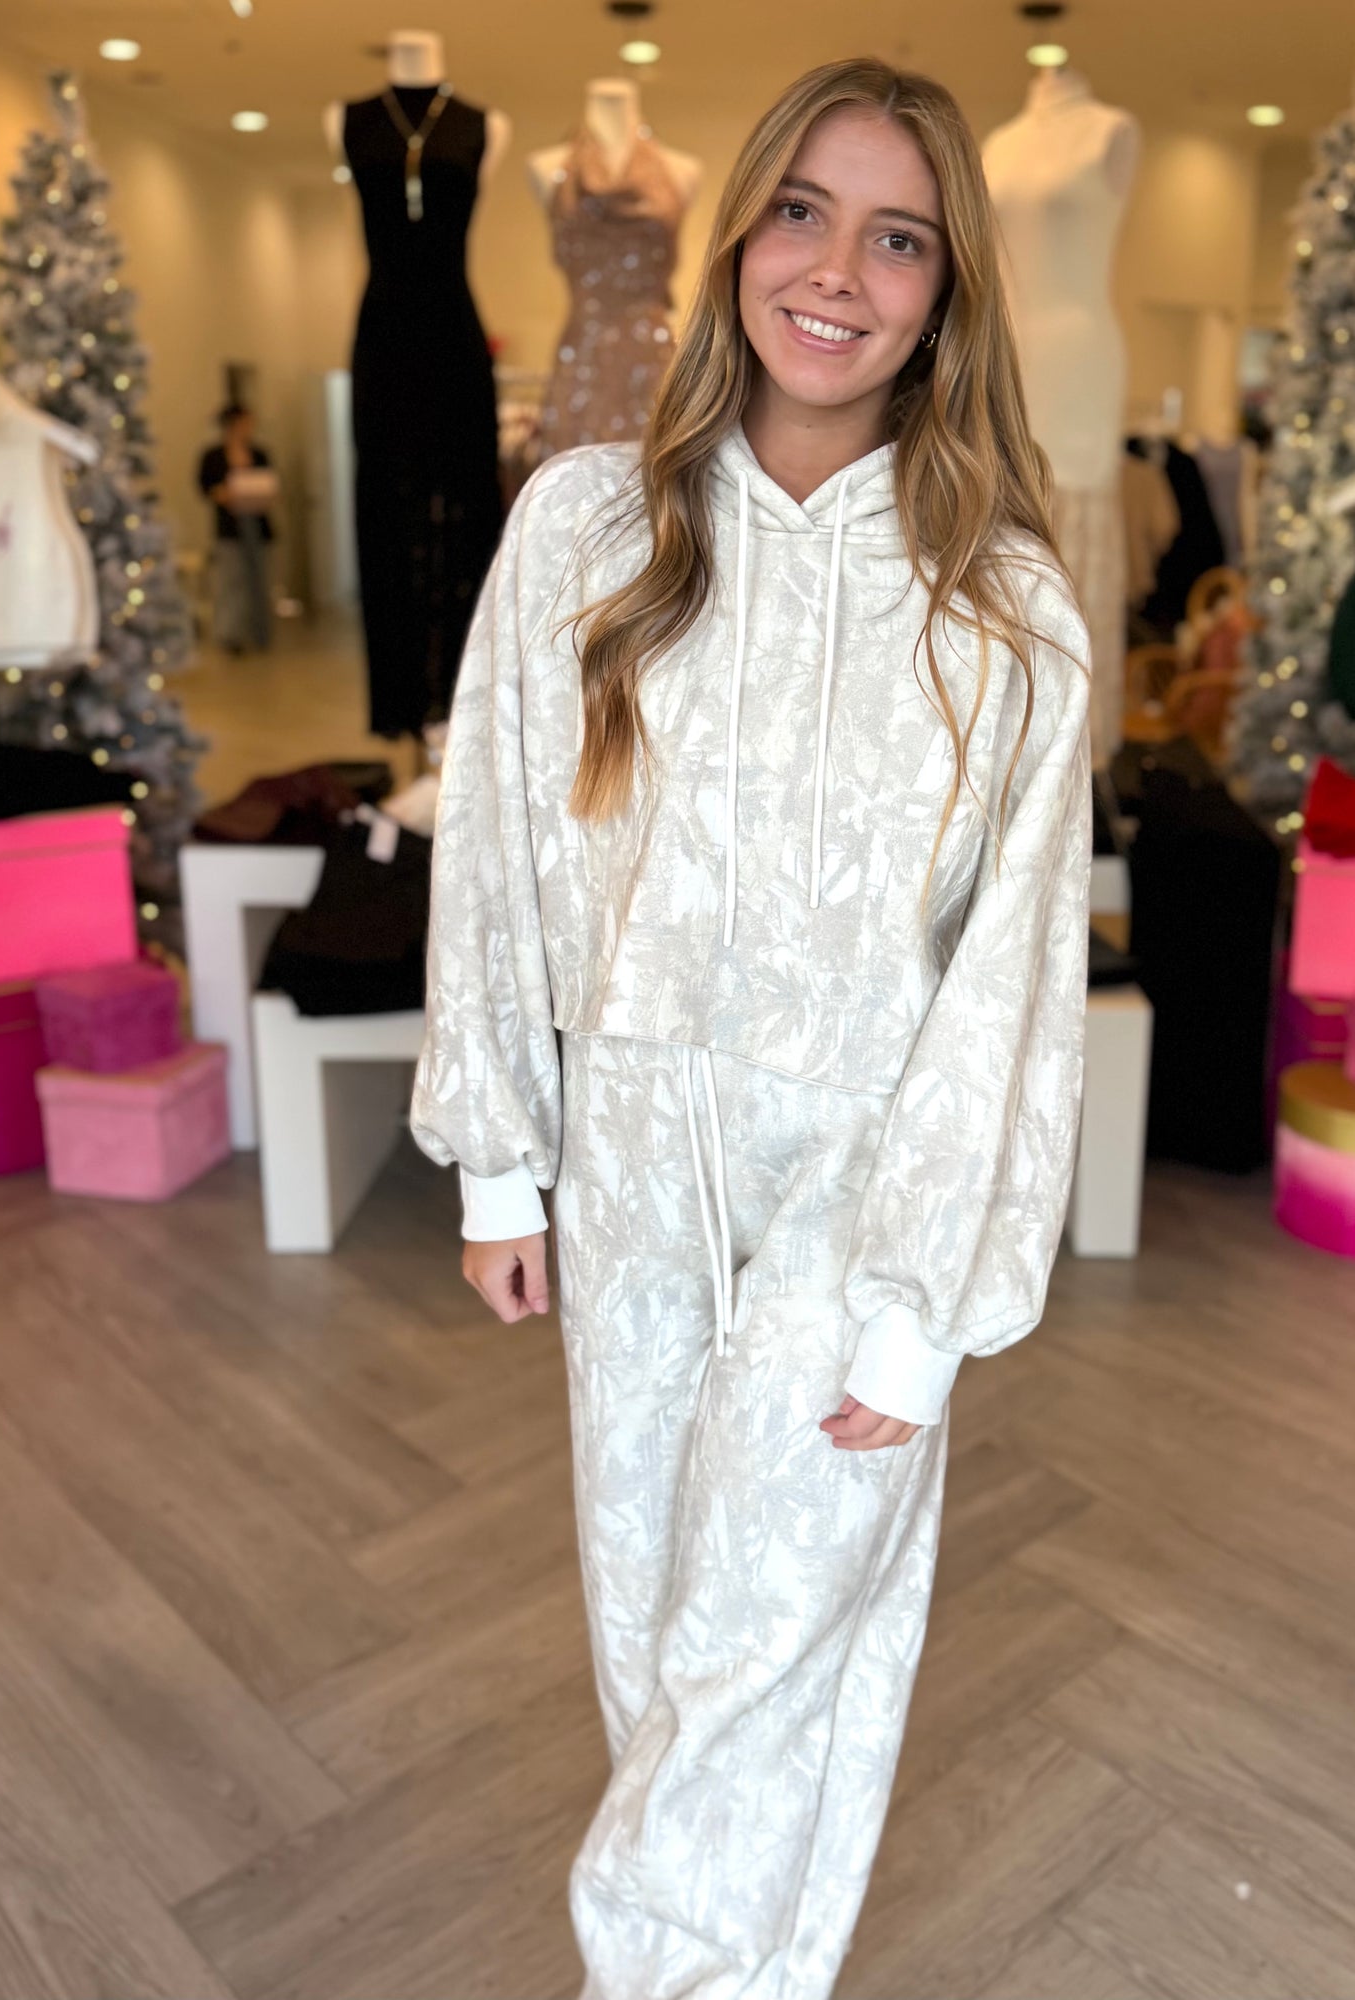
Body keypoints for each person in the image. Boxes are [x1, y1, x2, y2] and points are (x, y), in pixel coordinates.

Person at [410, 55, 1091, 1999]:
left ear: (947, 293)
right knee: (655, 1623)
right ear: (734, 242)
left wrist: (927, 1298)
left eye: (899, 239)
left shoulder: (1005, 605)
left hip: (864, 1179)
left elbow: (1016, 981)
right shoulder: (584, 529)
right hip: (633, 1157)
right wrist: (504, 1159)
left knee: (767, 1629)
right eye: (801, 211)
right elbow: (498, 843)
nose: (837, 274)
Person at [197, 402, 275, 654]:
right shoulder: (213, 456)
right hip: (230, 526)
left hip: (257, 523)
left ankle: (260, 633)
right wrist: (222, 494)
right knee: (231, 582)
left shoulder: (259, 454)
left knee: (260, 581)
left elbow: (271, 483)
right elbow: (205, 487)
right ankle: (231, 635)